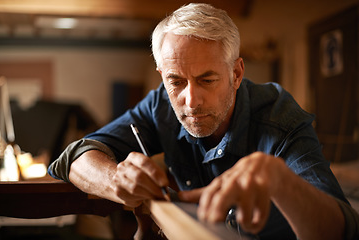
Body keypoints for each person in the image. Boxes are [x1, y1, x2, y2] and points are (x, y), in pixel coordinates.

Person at [48, 3, 359, 240]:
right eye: (176, 81)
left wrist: (281, 181)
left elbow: (342, 231)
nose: (190, 100)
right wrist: (117, 180)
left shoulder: (280, 118)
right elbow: (74, 156)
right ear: (163, 76)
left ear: (236, 74)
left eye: (207, 80)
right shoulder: (161, 103)